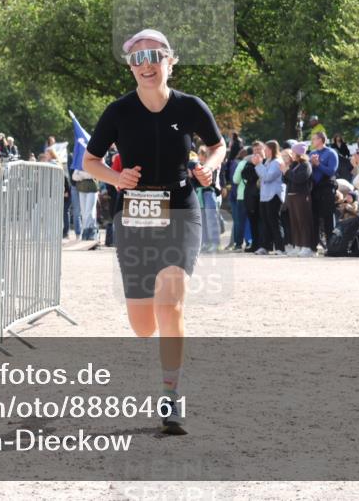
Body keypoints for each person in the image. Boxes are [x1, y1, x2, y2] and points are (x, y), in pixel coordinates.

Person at [82, 28, 224, 436]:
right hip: (136, 217)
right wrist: (115, 177)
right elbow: (91, 160)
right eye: (138, 59)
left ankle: (171, 394)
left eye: (155, 56)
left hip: (181, 209)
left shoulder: (191, 106)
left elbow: (217, 146)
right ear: (130, 67)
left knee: (171, 301)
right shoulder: (119, 112)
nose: (147, 65)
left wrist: (209, 167)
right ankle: (162, 349)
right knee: (143, 324)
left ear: (170, 61)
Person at [253, 140, 286, 255]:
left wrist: (258, 165)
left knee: (274, 222)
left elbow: (267, 177)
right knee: (265, 222)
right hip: (265, 196)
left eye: (266, 149)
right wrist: (260, 165)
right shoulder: (267, 161)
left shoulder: (277, 162)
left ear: (271, 150)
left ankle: (280, 247)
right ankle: (265, 246)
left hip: (274, 196)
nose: (264, 152)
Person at [309, 132, 339, 253]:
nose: (312, 141)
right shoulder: (311, 153)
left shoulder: (331, 153)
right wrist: (311, 164)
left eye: (314, 139)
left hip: (327, 188)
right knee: (314, 218)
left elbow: (331, 171)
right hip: (314, 189)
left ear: (321, 140)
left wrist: (318, 164)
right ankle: (313, 246)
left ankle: (330, 247)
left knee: (328, 219)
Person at [283, 142, 314, 257]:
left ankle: (306, 246)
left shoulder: (306, 165)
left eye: (293, 152)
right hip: (291, 196)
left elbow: (299, 179)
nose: (292, 154)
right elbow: (286, 180)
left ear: (299, 153)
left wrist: (287, 172)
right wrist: (285, 171)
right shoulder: (294, 165)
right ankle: (297, 245)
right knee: (294, 222)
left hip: (301, 196)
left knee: (303, 221)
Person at [241, 142, 264, 253]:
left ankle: (264, 245)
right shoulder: (249, 163)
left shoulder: (267, 162)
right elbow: (245, 175)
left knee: (263, 222)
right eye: (255, 150)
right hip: (251, 197)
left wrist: (258, 166)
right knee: (253, 222)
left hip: (264, 197)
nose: (257, 152)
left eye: (259, 149)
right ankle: (255, 244)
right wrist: (254, 165)